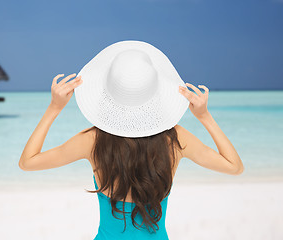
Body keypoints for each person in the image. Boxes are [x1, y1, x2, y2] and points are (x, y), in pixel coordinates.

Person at [19, 40, 244, 239]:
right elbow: (234, 166)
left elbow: (28, 162)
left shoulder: (93, 141)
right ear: (155, 94)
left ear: (108, 93)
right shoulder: (175, 139)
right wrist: (205, 117)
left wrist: (54, 108)